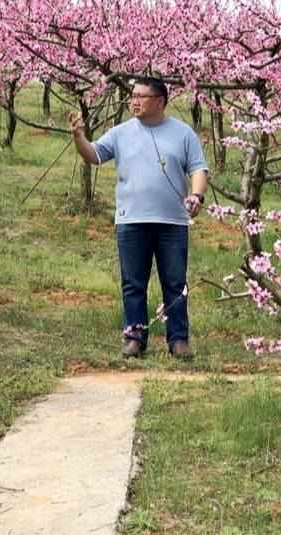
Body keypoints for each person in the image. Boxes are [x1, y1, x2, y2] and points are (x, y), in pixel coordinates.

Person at [69, 77, 209, 360]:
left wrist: (197, 196)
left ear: (160, 101)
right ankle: (134, 337)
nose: (134, 101)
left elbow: (198, 169)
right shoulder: (121, 133)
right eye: (132, 96)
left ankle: (178, 339)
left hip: (172, 222)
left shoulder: (183, 134)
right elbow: (94, 155)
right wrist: (78, 137)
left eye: (141, 96)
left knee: (175, 284)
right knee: (133, 284)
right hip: (131, 220)